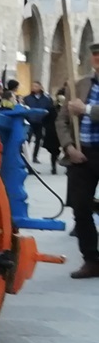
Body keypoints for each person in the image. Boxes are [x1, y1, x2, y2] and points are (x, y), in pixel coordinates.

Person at [56, 41, 99, 279]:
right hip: (82, 156)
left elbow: (82, 110)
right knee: (81, 208)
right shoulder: (79, 84)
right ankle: (91, 260)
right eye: (96, 57)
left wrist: (87, 110)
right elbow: (61, 120)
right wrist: (69, 146)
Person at [24, 81, 56, 162]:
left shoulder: (47, 99)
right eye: (33, 86)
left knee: (38, 140)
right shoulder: (27, 98)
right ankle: (25, 156)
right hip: (30, 121)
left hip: (41, 122)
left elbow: (50, 109)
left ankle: (35, 156)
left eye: (36, 86)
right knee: (27, 139)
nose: (34, 87)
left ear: (40, 87)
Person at [45, 91, 64, 175]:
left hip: (63, 132)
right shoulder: (51, 109)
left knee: (65, 150)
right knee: (54, 150)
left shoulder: (66, 109)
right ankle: (53, 167)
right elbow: (45, 120)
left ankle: (64, 165)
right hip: (53, 132)